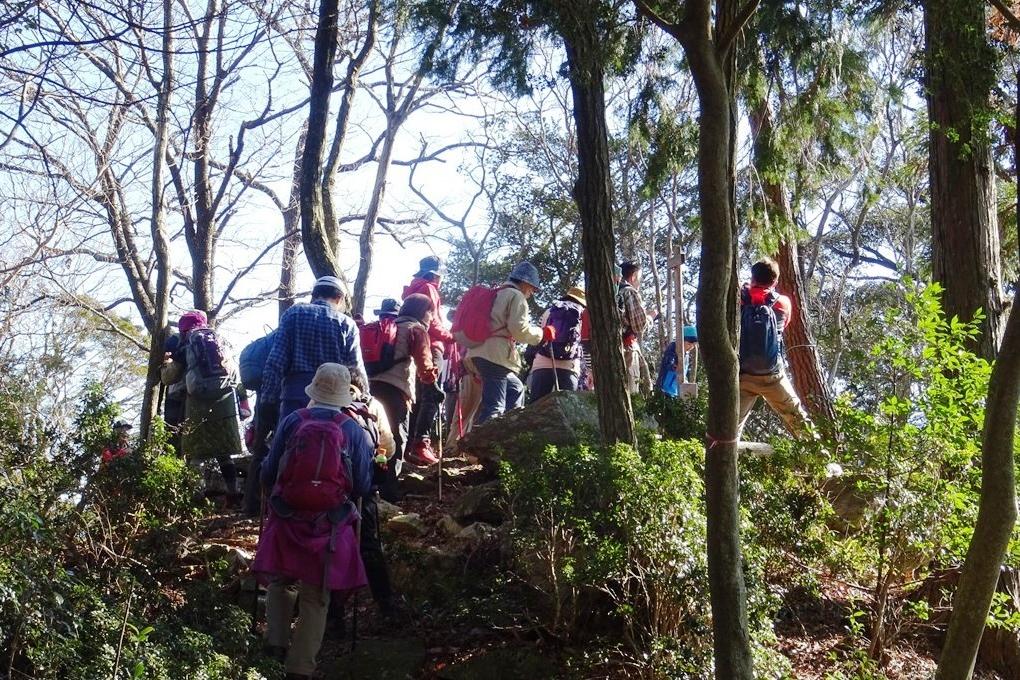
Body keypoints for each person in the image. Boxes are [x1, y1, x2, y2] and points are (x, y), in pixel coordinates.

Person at [253, 364, 373, 680]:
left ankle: (274, 646)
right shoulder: (352, 429)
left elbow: (268, 473)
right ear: (344, 393)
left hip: (287, 516)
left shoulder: (293, 421)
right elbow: (361, 485)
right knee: (317, 594)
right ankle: (301, 667)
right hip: (329, 524)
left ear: (314, 390)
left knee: (280, 580)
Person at [161, 310, 248, 501]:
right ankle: (233, 493)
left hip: (197, 402)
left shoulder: (187, 344)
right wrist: (243, 402)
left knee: (196, 454)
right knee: (224, 453)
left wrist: (165, 364)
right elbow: (235, 374)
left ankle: (196, 497)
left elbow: (170, 377)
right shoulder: (220, 341)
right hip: (225, 401)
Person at [261, 276, 369, 425]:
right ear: (339, 298)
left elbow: (275, 363)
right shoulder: (347, 325)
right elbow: (356, 370)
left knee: (288, 443)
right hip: (332, 403)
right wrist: (365, 400)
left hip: (294, 398)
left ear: (314, 295)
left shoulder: (294, 314)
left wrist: (267, 400)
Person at [737, 258, 813, 437]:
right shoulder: (783, 303)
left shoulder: (740, 299)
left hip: (743, 376)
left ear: (752, 277)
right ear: (775, 281)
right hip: (773, 375)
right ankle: (821, 458)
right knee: (798, 418)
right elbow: (783, 325)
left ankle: (722, 460)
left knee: (731, 427)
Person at [467, 262, 548, 425]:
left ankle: (509, 431)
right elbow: (519, 330)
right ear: (525, 282)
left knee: (516, 389)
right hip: (495, 356)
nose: (531, 293)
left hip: (478, 352)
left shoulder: (496, 293)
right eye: (532, 288)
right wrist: (542, 333)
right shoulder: (515, 296)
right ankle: (483, 446)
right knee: (494, 407)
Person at [368, 294, 438, 471]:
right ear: (422, 312)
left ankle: (369, 484)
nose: (431, 317)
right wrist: (434, 387)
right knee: (396, 438)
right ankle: (388, 489)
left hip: (370, 388)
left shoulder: (383, 327)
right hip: (396, 391)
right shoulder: (416, 329)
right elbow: (425, 365)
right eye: (430, 313)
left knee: (374, 436)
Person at [402, 255, 454, 464]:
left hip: (412, 344)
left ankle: (409, 442)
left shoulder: (411, 289)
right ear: (436, 275)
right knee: (431, 393)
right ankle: (421, 443)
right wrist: (451, 336)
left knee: (417, 394)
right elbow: (432, 322)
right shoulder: (429, 288)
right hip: (430, 346)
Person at [527, 287, 586, 403]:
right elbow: (585, 344)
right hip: (569, 367)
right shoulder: (583, 315)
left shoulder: (549, 311)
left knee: (536, 408)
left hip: (542, 364)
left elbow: (537, 339)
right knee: (567, 410)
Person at [618, 261, 652, 395]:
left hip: (608, 349)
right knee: (632, 392)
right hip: (628, 350)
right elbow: (639, 326)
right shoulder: (629, 292)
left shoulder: (611, 292)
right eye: (639, 277)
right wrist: (650, 318)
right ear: (633, 276)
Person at [656, 326, 698, 397]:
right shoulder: (673, 347)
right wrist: (675, 367)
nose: (691, 347)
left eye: (693, 345)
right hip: (665, 388)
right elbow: (668, 362)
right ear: (681, 341)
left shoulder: (686, 354)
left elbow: (684, 372)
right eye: (689, 344)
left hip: (676, 390)